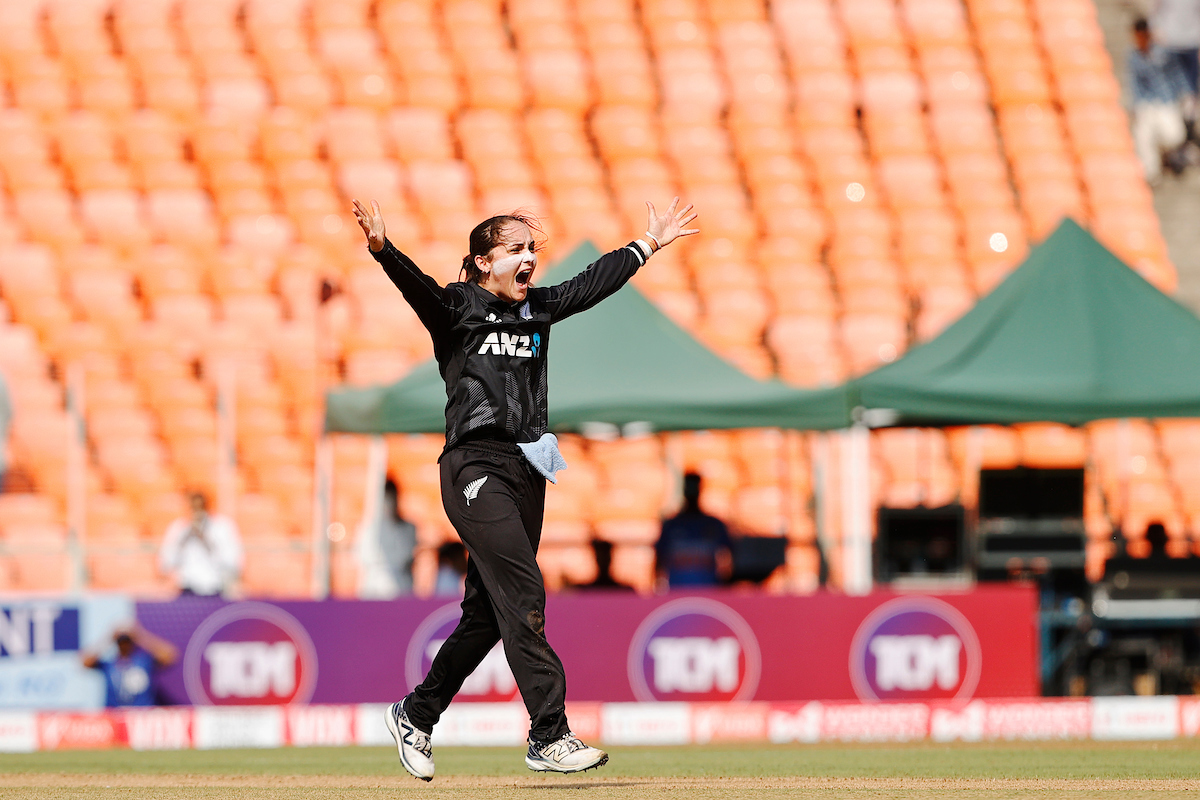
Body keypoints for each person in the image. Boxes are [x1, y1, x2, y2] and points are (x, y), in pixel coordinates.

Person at [352, 195, 697, 781]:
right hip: (473, 467)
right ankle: (549, 733)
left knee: (487, 615)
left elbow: (591, 285)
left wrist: (647, 244)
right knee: (524, 590)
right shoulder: (459, 307)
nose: (529, 258)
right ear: (484, 261)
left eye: (532, 248)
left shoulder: (536, 309)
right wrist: (384, 250)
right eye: (516, 249)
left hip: (527, 470)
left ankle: (416, 712)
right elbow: (421, 292)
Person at [1128, 17, 1194, 182]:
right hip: (1148, 103)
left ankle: (1171, 156)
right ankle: (1152, 172)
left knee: (1174, 136)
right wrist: (1136, 105)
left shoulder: (1164, 53)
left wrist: (1186, 93)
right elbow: (1135, 83)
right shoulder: (1133, 57)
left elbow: (1177, 74)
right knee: (1143, 134)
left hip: (1167, 100)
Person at [655, 472, 733, 589]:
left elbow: (731, 557)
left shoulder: (714, 525)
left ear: (700, 489)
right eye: (689, 487)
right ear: (683, 489)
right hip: (676, 593)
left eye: (694, 487)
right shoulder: (671, 526)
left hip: (710, 592)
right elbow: (659, 560)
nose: (692, 492)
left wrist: (725, 583)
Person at [158, 491, 243, 597]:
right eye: (193, 507)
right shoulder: (178, 527)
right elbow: (166, 563)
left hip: (216, 587)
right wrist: (184, 539)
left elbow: (233, 563)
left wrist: (205, 540)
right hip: (186, 588)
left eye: (200, 507)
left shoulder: (223, 526)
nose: (197, 512)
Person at [81, 622, 178, 707]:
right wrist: (109, 639)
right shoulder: (109, 664)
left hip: (141, 715)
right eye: (121, 642)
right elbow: (85, 662)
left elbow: (170, 655)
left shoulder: (144, 661)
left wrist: (140, 636)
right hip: (115, 715)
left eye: (127, 642)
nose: (124, 645)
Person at [358, 478, 417, 597]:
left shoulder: (408, 528)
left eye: (392, 498)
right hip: (374, 591)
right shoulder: (368, 528)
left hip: (402, 590)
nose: (389, 503)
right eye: (386, 498)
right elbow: (364, 558)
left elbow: (404, 559)